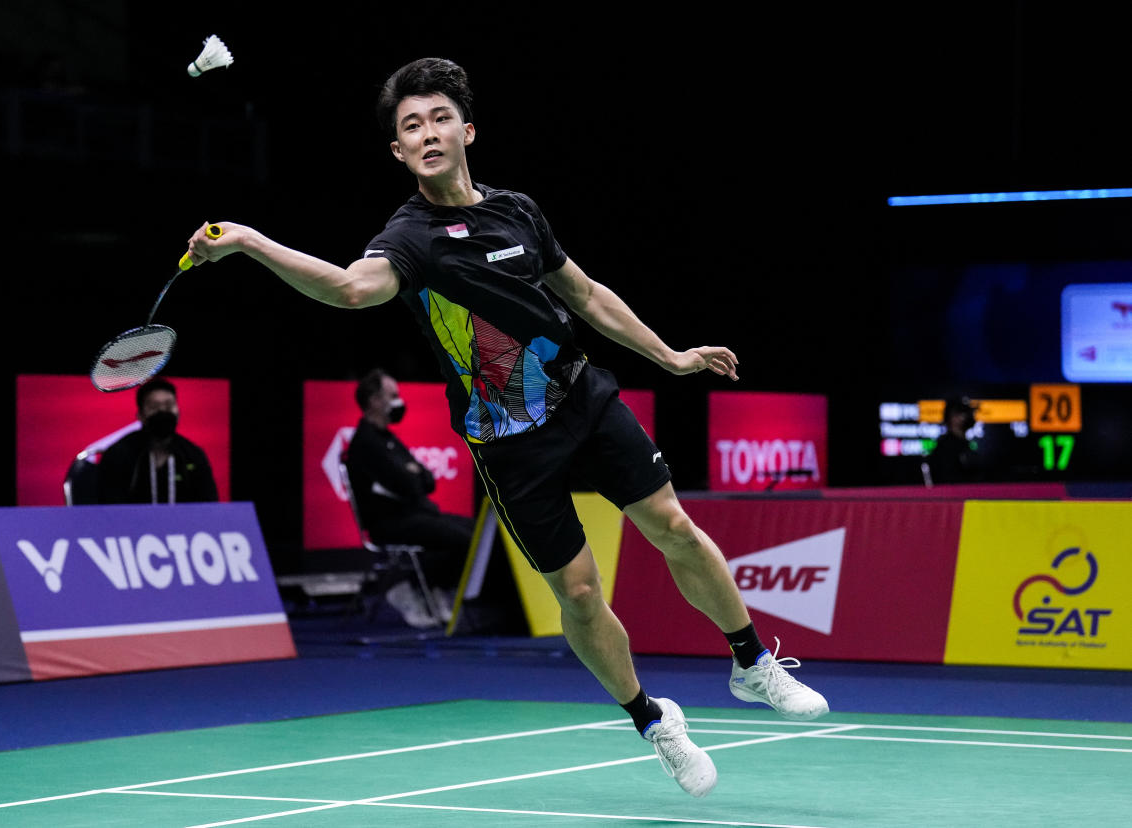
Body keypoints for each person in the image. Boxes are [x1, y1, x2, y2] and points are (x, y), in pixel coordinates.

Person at [185, 57, 827, 798]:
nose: (426, 133)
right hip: (509, 444)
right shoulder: (410, 238)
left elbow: (584, 293)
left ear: (467, 130)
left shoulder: (517, 210)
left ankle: (752, 664)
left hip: (581, 397)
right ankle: (654, 722)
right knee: (581, 595)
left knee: (672, 524)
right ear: (397, 151)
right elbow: (351, 289)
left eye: (437, 119)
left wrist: (671, 357)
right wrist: (253, 242)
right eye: (410, 127)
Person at [344, 368, 474, 628]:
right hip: (389, 522)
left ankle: (430, 588)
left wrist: (414, 474)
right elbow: (409, 485)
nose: (399, 401)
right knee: (464, 540)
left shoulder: (389, 439)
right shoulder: (366, 442)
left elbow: (427, 479)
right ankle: (407, 589)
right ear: (374, 401)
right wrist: (412, 475)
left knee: (477, 532)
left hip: (417, 514)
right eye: (392, 395)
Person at [98, 377, 219, 504]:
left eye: (169, 405)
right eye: (154, 406)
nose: (162, 411)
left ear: (178, 412)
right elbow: (108, 508)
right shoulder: (118, 454)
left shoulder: (193, 455)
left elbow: (209, 506)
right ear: (140, 415)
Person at [926, 395, 980, 485]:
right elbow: (947, 481)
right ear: (951, 417)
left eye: (968, 412)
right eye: (962, 413)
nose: (968, 416)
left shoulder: (966, 444)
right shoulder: (945, 447)